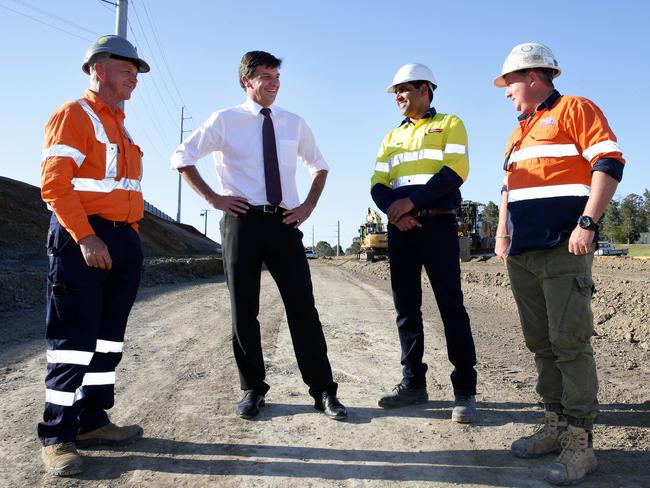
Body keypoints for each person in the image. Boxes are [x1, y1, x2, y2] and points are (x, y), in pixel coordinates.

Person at [170, 50, 347, 422]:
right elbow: (182, 157)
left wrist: (307, 208)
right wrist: (213, 198)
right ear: (245, 81)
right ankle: (252, 389)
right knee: (244, 310)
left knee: (303, 308)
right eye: (265, 76)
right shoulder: (225, 120)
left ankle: (324, 391)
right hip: (241, 221)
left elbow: (320, 166)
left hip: (284, 223)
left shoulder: (293, 123)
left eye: (277, 76)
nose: (273, 82)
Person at [493, 42, 624, 486]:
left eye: (509, 82)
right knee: (541, 344)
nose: (506, 92)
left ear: (532, 77)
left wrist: (587, 222)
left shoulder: (575, 109)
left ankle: (579, 443)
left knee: (570, 344)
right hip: (523, 254)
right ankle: (553, 426)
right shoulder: (519, 130)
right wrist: (501, 233)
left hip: (563, 249)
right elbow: (508, 190)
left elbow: (608, 161)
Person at [38, 35, 150, 476]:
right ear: (98, 68)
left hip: (124, 239)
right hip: (82, 239)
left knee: (108, 339)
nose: (134, 79)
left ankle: (93, 420)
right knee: (72, 341)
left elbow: (123, 189)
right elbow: (54, 186)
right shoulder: (74, 115)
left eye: (137, 73)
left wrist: (130, 237)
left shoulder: (119, 124)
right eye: (127, 70)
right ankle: (58, 437)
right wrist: (86, 237)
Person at [371, 63, 478, 423]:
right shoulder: (391, 137)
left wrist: (411, 203)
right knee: (406, 310)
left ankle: (465, 390)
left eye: (404, 89)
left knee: (451, 307)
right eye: (395, 92)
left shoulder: (450, 124)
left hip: (438, 227)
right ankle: (413, 383)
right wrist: (395, 212)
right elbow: (378, 183)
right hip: (402, 231)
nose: (398, 97)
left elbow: (454, 172)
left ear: (424, 90)